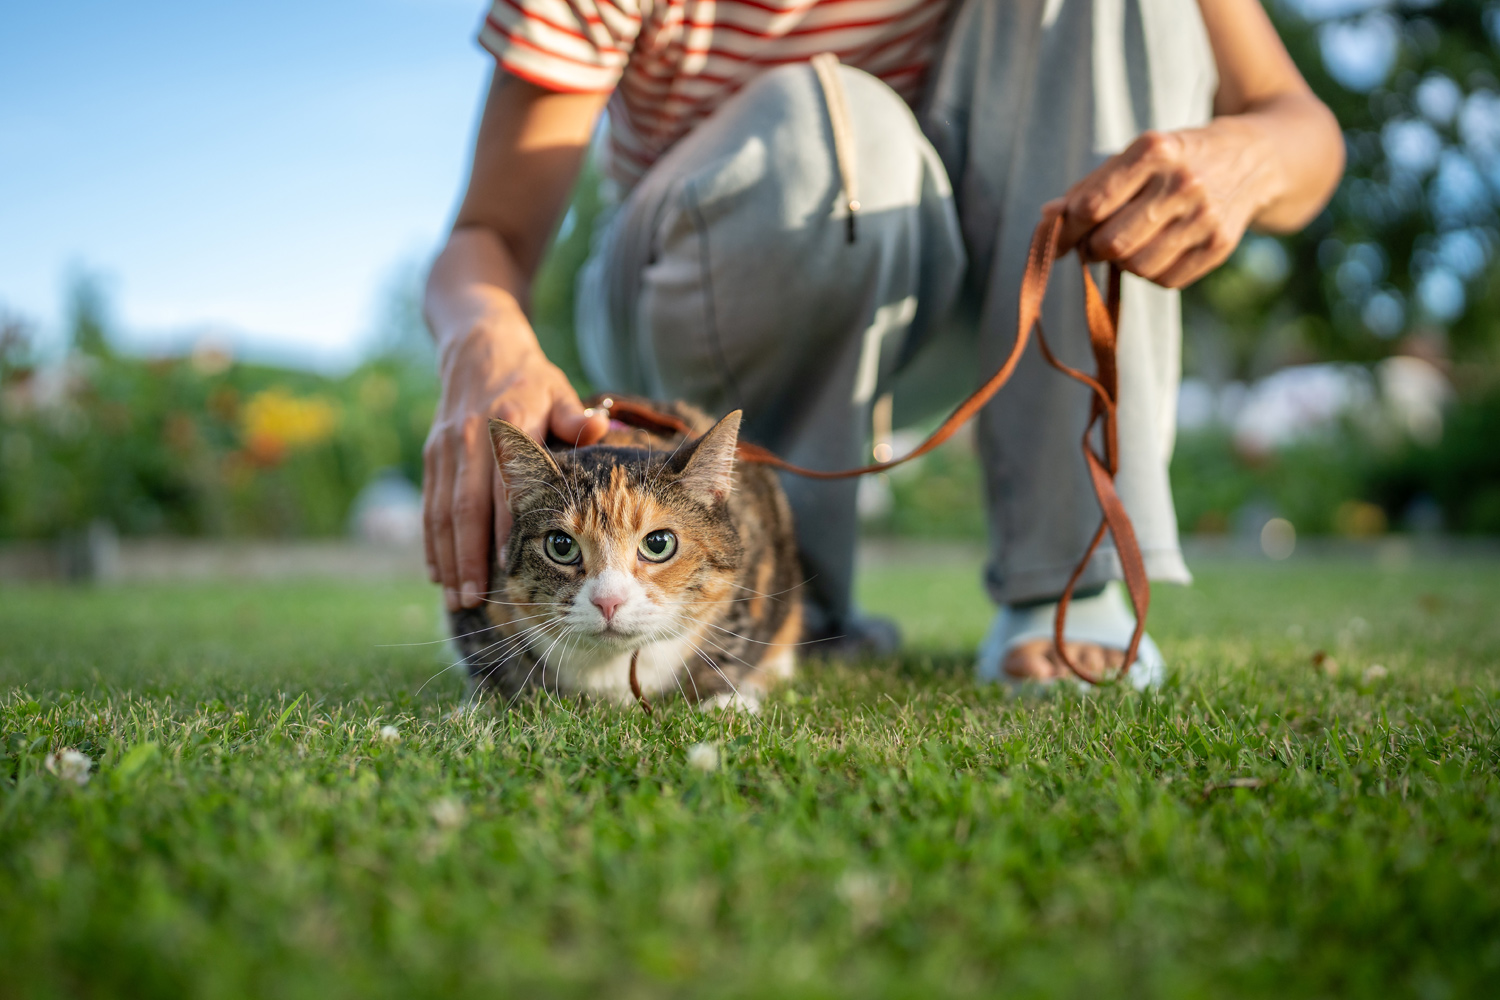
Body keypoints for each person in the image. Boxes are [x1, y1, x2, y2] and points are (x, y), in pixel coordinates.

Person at [422, 0, 1343, 685]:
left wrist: (1251, 156)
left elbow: (1302, 132)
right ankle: (790, 602)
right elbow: (488, 237)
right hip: (681, 323)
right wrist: (484, 330)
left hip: (966, 305)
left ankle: (1065, 580)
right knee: (832, 133)